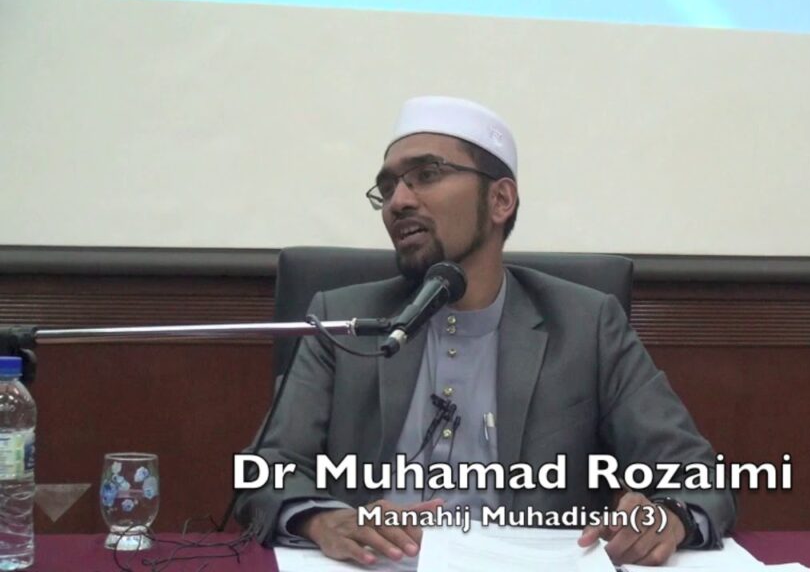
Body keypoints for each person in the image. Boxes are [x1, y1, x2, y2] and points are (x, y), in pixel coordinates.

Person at [236, 96, 736, 567]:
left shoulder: (586, 324)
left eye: (426, 175)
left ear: (500, 199)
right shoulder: (343, 318)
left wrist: (667, 515)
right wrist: (322, 519)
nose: (398, 201)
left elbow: (697, 476)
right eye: (387, 188)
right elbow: (265, 471)